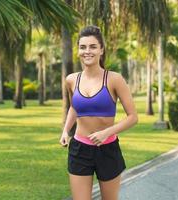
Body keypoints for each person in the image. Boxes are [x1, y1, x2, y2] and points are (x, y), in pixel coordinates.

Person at [59, 25, 138, 200]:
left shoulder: (114, 79)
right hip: (79, 149)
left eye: (93, 46)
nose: (87, 51)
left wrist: (106, 133)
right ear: (78, 50)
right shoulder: (71, 80)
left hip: (107, 149)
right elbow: (74, 107)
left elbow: (133, 117)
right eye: (83, 47)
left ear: (101, 50)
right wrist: (66, 130)